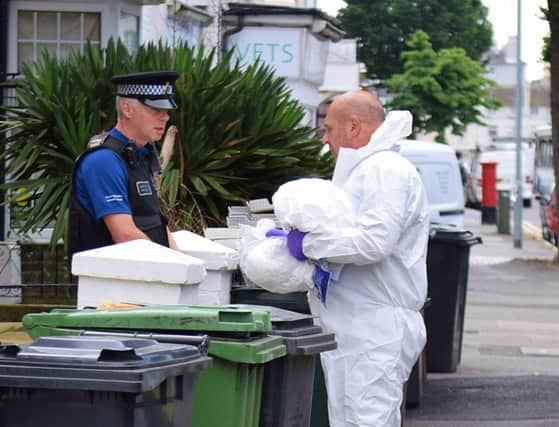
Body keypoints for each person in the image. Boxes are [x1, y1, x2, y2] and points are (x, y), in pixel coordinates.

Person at [289, 91, 430, 426]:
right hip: (363, 324)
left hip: (373, 327)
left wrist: (307, 244)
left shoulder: (384, 170)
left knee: (365, 419)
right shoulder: (372, 168)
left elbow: (373, 243)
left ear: (353, 126)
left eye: (329, 129)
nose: (325, 139)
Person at [68, 71, 179, 263]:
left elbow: (153, 220)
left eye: (166, 111)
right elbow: (125, 235)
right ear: (127, 109)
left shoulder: (139, 155)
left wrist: (181, 262)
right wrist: (174, 267)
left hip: (146, 278)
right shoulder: (104, 161)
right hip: (115, 286)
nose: (165, 118)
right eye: (156, 110)